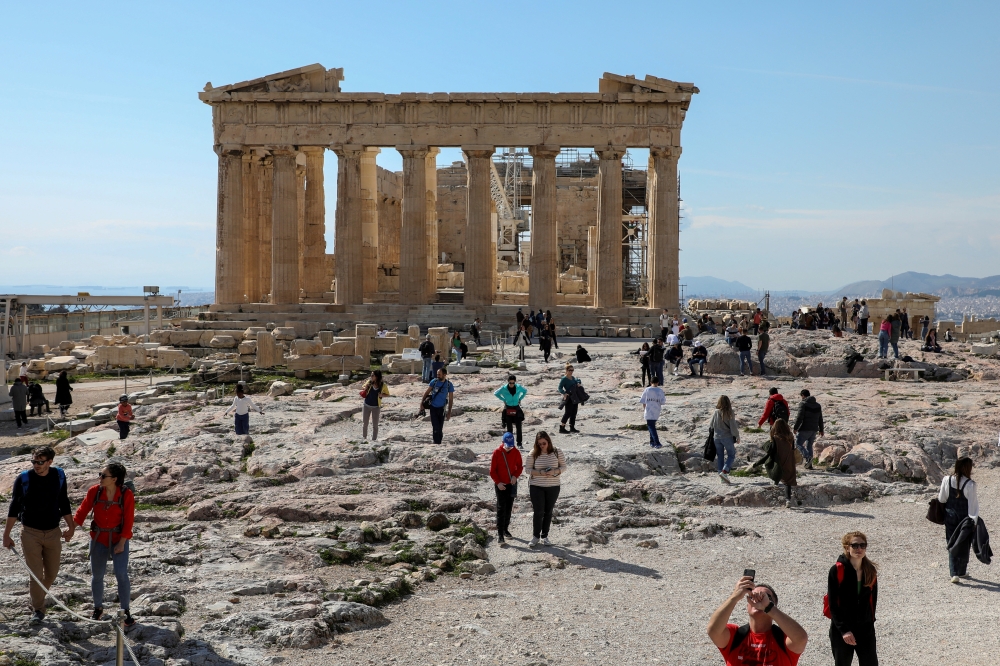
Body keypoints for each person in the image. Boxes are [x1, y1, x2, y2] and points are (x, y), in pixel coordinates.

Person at [3, 446, 75, 625]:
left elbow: (63, 501)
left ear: (50, 462)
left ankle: (36, 599)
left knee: (51, 573)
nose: (36, 465)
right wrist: (6, 534)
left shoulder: (59, 476)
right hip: (30, 532)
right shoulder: (24, 478)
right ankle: (38, 609)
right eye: (34, 461)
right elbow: (14, 507)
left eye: (40, 462)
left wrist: (71, 527)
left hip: (53, 532)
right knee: (36, 574)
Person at [73, 462, 137, 625]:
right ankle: (98, 608)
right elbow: (82, 511)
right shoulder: (94, 491)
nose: (99, 478)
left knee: (121, 574)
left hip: (118, 539)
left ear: (114, 479)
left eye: (103, 476)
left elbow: (129, 521)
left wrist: (122, 542)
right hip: (98, 539)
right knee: (97, 576)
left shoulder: (126, 494)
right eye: (100, 475)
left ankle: (125, 611)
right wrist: (70, 529)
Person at [707, 576, 808, 666]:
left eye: (767, 597)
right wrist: (735, 596)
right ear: (748, 605)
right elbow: (713, 630)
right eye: (753, 596)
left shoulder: (783, 639)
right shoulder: (735, 636)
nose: (759, 600)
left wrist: (768, 607)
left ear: (774, 606)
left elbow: (801, 639)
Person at [827, 531, 879, 666]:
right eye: (855, 545)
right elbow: (832, 604)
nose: (859, 549)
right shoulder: (837, 570)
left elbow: (873, 601)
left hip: (865, 629)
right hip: (842, 631)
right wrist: (844, 630)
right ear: (847, 547)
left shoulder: (870, 570)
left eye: (863, 545)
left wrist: (870, 622)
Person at [940, 457, 979, 583]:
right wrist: (974, 521)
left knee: (951, 542)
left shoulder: (947, 479)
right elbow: (973, 506)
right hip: (964, 518)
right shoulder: (971, 484)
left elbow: (942, 499)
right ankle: (961, 571)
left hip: (950, 515)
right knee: (964, 543)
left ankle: (954, 573)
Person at [526, 431, 565, 547]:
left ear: (548, 441)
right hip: (536, 486)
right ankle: (535, 536)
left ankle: (545, 536)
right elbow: (527, 470)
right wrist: (540, 473)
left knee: (548, 511)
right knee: (538, 512)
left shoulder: (557, 452)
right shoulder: (533, 453)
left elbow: (564, 467)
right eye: (539, 444)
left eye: (544, 443)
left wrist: (554, 471)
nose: (542, 446)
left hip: (553, 486)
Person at [753, 419, 798, 507]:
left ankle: (776, 482)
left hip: (779, 460)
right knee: (787, 482)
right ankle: (788, 500)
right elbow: (792, 448)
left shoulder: (775, 438)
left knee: (774, 469)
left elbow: (772, 450)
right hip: (789, 460)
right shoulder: (790, 437)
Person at [489, 432, 523, 545]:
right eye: (507, 445)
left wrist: (515, 476)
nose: (509, 448)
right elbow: (492, 471)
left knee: (509, 508)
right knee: (501, 508)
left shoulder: (516, 452)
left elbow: (519, 467)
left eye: (511, 445)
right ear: (503, 442)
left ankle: (505, 529)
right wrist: (498, 483)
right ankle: (500, 535)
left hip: (511, 484)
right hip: (500, 485)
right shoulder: (497, 453)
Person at [711, 396, 741, 484]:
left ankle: (721, 477)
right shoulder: (730, 412)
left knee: (720, 456)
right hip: (727, 437)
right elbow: (733, 426)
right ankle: (724, 472)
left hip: (717, 437)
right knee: (731, 455)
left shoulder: (716, 411)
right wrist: (737, 436)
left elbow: (711, 424)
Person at [420, 367, 454, 445]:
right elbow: (426, 393)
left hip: (442, 409)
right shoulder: (434, 382)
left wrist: (449, 412)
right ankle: (436, 443)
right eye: (437, 374)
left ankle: (439, 442)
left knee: (440, 428)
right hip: (433, 408)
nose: (437, 376)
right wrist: (421, 405)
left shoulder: (449, 384)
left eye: (439, 374)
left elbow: (451, 399)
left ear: (444, 375)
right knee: (435, 427)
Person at [792, 389, 823, 469]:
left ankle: (808, 457)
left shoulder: (803, 404)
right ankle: (809, 465)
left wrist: (795, 428)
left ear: (803, 395)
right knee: (809, 445)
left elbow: (800, 417)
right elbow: (820, 418)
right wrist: (821, 429)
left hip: (804, 428)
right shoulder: (818, 405)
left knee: (798, 444)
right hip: (814, 429)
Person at [494, 374, 527, 449]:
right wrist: (503, 400)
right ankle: (510, 443)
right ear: (508, 382)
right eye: (510, 383)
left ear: (515, 382)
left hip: (516, 408)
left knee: (519, 426)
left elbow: (525, 391)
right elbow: (496, 393)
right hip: (508, 408)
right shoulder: (504, 388)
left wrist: (520, 398)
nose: (511, 384)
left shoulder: (518, 387)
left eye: (513, 383)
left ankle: (519, 443)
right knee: (509, 428)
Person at [360, 370, 389, 441]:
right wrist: (365, 388)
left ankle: (374, 440)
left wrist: (382, 395)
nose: (371, 376)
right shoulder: (369, 382)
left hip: (376, 407)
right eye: (371, 375)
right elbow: (363, 387)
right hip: (366, 405)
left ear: (377, 377)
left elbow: (387, 394)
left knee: (375, 425)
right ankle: (364, 438)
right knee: (365, 423)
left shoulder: (383, 385)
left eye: (372, 375)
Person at [640, 377, 666, 449]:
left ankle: (657, 442)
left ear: (650, 382)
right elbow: (663, 402)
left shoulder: (647, 390)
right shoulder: (660, 391)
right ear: (658, 382)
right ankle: (652, 442)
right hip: (656, 410)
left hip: (648, 410)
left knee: (651, 426)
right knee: (652, 425)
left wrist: (645, 409)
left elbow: (643, 401)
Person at [558, 364, 582, 434]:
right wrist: (564, 393)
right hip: (569, 398)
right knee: (568, 413)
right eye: (570, 370)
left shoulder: (572, 377)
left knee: (574, 412)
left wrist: (578, 383)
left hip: (575, 397)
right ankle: (562, 428)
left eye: (572, 370)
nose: (571, 372)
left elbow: (578, 380)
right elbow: (559, 388)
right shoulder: (564, 379)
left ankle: (572, 427)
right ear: (566, 370)